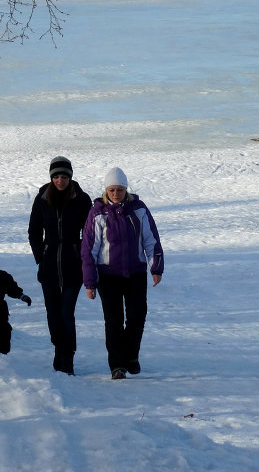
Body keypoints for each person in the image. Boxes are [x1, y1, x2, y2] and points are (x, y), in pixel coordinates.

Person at [81, 167, 164, 380]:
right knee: (114, 321)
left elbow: (150, 239)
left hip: (135, 272)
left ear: (125, 190)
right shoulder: (97, 213)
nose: (115, 194)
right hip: (108, 276)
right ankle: (117, 365)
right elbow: (89, 249)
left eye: (119, 189)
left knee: (138, 316)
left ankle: (131, 356)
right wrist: (90, 282)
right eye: (111, 190)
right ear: (106, 191)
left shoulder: (139, 210)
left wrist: (156, 267)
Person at [27, 155, 92, 375]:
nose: (60, 180)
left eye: (64, 176)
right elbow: (34, 231)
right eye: (56, 176)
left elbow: (90, 233)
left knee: (66, 313)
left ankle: (68, 358)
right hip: (49, 267)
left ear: (70, 177)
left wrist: (82, 253)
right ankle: (59, 350)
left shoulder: (82, 199)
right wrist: (41, 255)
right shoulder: (42, 198)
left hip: (74, 266)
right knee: (53, 314)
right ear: (51, 177)